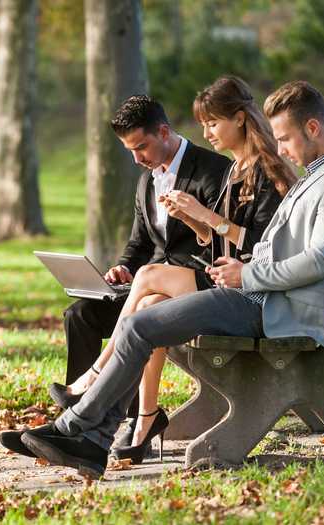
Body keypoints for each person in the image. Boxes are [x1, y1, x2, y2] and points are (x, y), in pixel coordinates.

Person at [5, 80, 324, 479]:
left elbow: (317, 262)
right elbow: (277, 247)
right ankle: (85, 437)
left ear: (312, 128)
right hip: (258, 294)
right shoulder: (319, 174)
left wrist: (245, 272)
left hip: (274, 307)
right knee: (140, 322)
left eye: (285, 138)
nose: (280, 148)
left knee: (142, 324)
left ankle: (79, 433)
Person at [48, 75, 296, 464]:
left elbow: (262, 247)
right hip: (201, 282)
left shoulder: (237, 171)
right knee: (122, 307)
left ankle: (96, 379)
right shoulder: (227, 172)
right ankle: (137, 420)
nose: (208, 132)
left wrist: (203, 217)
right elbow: (157, 243)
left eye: (213, 123)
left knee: (149, 280)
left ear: (240, 119)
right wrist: (195, 226)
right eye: (205, 125)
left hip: (233, 288)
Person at [54, 96, 228, 425]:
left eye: (141, 147)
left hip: (191, 287)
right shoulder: (146, 180)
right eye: (130, 151)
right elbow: (141, 243)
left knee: (145, 310)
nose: (136, 159)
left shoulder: (212, 170)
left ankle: (102, 403)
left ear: (163, 132)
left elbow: (221, 243)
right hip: (145, 284)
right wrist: (124, 268)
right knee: (80, 314)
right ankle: (76, 415)